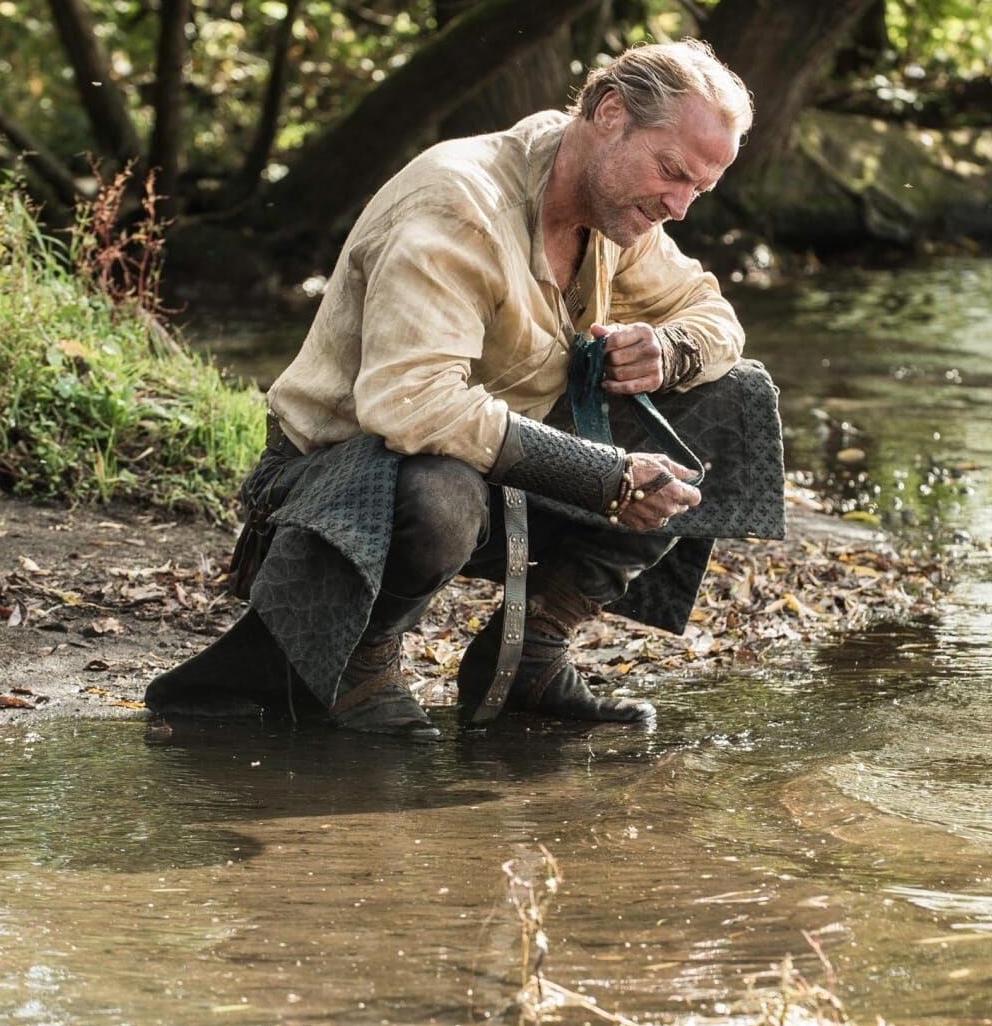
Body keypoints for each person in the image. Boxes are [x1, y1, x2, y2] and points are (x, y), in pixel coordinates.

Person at [146, 39, 782, 740]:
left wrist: (672, 349)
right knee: (442, 490)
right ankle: (358, 659)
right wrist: (606, 476)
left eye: (699, 189)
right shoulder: (457, 202)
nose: (680, 206)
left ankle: (534, 650)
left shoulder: (614, 205)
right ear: (609, 114)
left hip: (497, 473)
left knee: (736, 399)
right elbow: (411, 404)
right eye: (672, 172)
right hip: (346, 486)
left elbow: (714, 315)